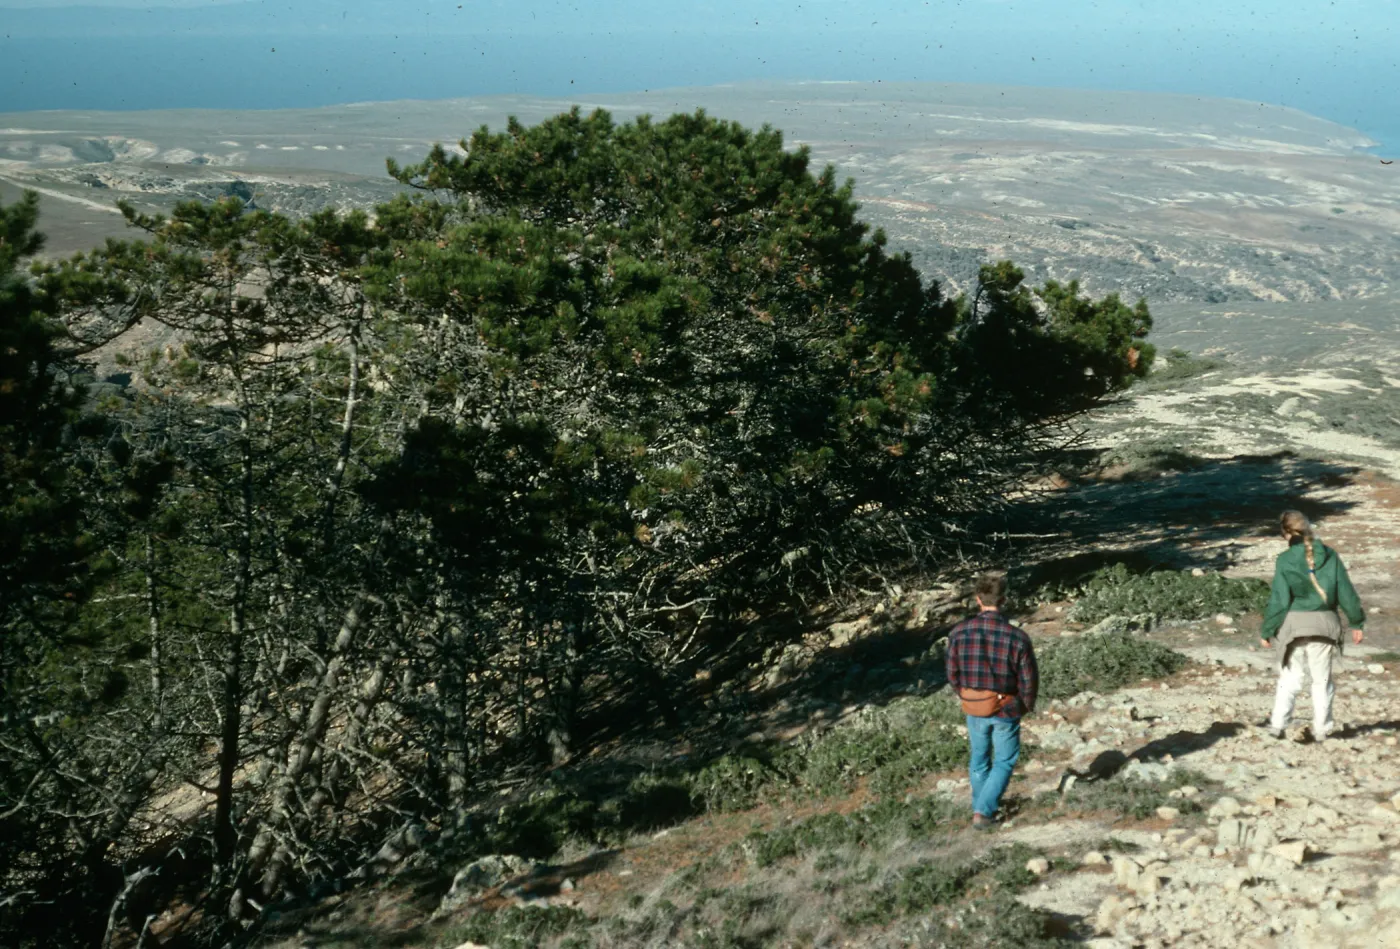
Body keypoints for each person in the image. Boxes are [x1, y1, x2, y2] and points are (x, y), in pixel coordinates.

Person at [1260, 510, 1365, 742]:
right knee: (1322, 681)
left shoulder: (1285, 559)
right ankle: (1321, 730)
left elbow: (1279, 600)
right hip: (1325, 625)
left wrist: (1267, 630)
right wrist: (1356, 622)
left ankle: (1277, 725)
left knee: (1290, 679)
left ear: (1286, 533)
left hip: (1293, 627)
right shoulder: (1330, 555)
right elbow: (1346, 592)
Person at [945, 570, 1038, 829]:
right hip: (1006, 707)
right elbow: (1028, 679)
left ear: (977, 599)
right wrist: (1024, 705)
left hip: (974, 706)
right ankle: (983, 812)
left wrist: (968, 696)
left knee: (979, 759)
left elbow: (952, 673)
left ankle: (982, 806)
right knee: (1004, 761)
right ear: (1004, 600)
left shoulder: (958, 632)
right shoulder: (1017, 637)